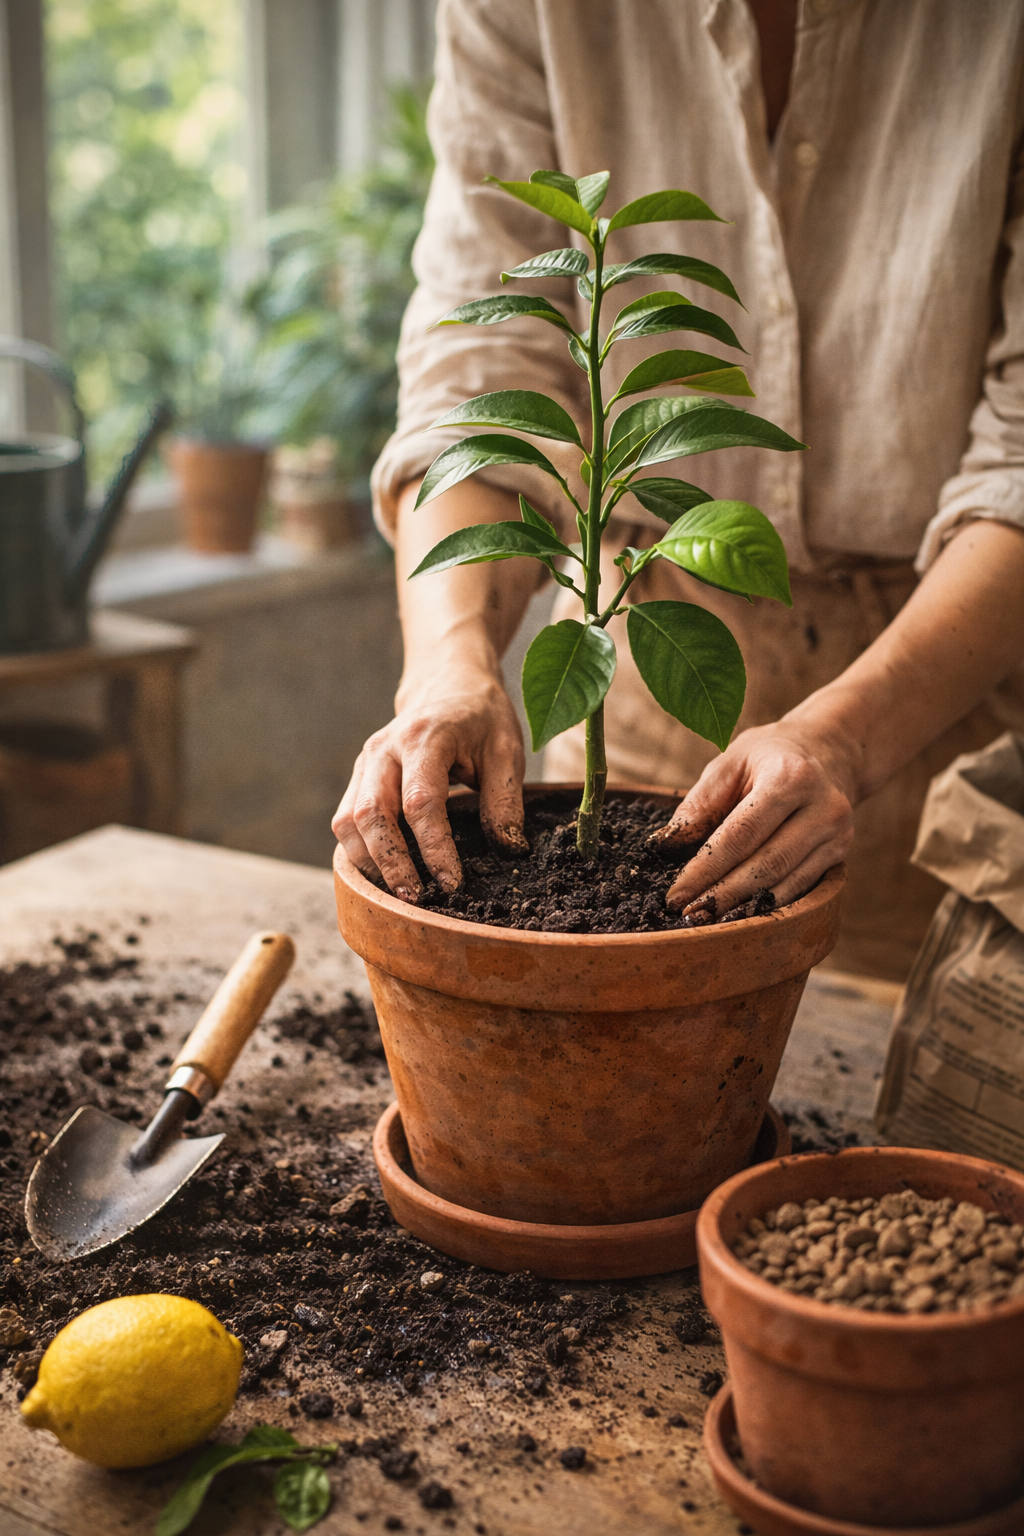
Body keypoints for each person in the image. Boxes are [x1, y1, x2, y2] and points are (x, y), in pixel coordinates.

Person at [333, 0, 1024, 982]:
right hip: (648, 655)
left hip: (956, 690)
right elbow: (480, 379)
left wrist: (839, 742)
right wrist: (449, 662)